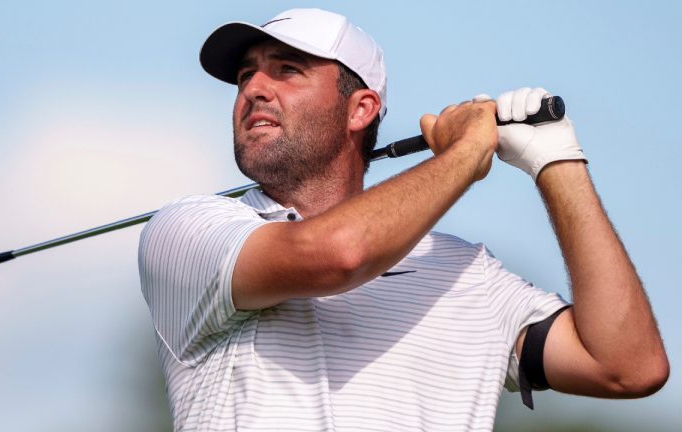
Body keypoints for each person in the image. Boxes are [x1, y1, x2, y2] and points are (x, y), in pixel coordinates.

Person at [138, 8, 668, 431]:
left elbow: (628, 366)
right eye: (245, 74)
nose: (253, 88)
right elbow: (340, 255)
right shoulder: (187, 231)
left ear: (360, 109)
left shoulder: (467, 273)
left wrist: (557, 161)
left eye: (287, 70)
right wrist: (465, 152)